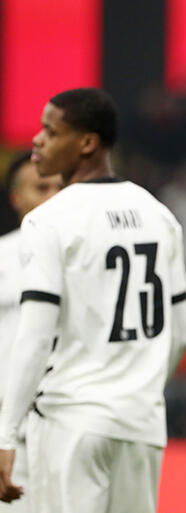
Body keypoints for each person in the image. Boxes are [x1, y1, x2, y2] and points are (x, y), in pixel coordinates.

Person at [0, 88, 186, 513]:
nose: (37, 140)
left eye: (51, 131)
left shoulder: (49, 220)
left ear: (87, 142)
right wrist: (139, 388)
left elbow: (35, 336)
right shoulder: (160, 215)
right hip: (141, 423)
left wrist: (7, 432)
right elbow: (179, 333)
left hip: (72, 421)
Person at [0, 152, 61, 513]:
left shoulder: (88, 260)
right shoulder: (1, 258)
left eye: (59, 188)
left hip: (70, 435)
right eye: (41, 188)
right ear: (16, 197)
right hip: (10, 441)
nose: (52, 197)